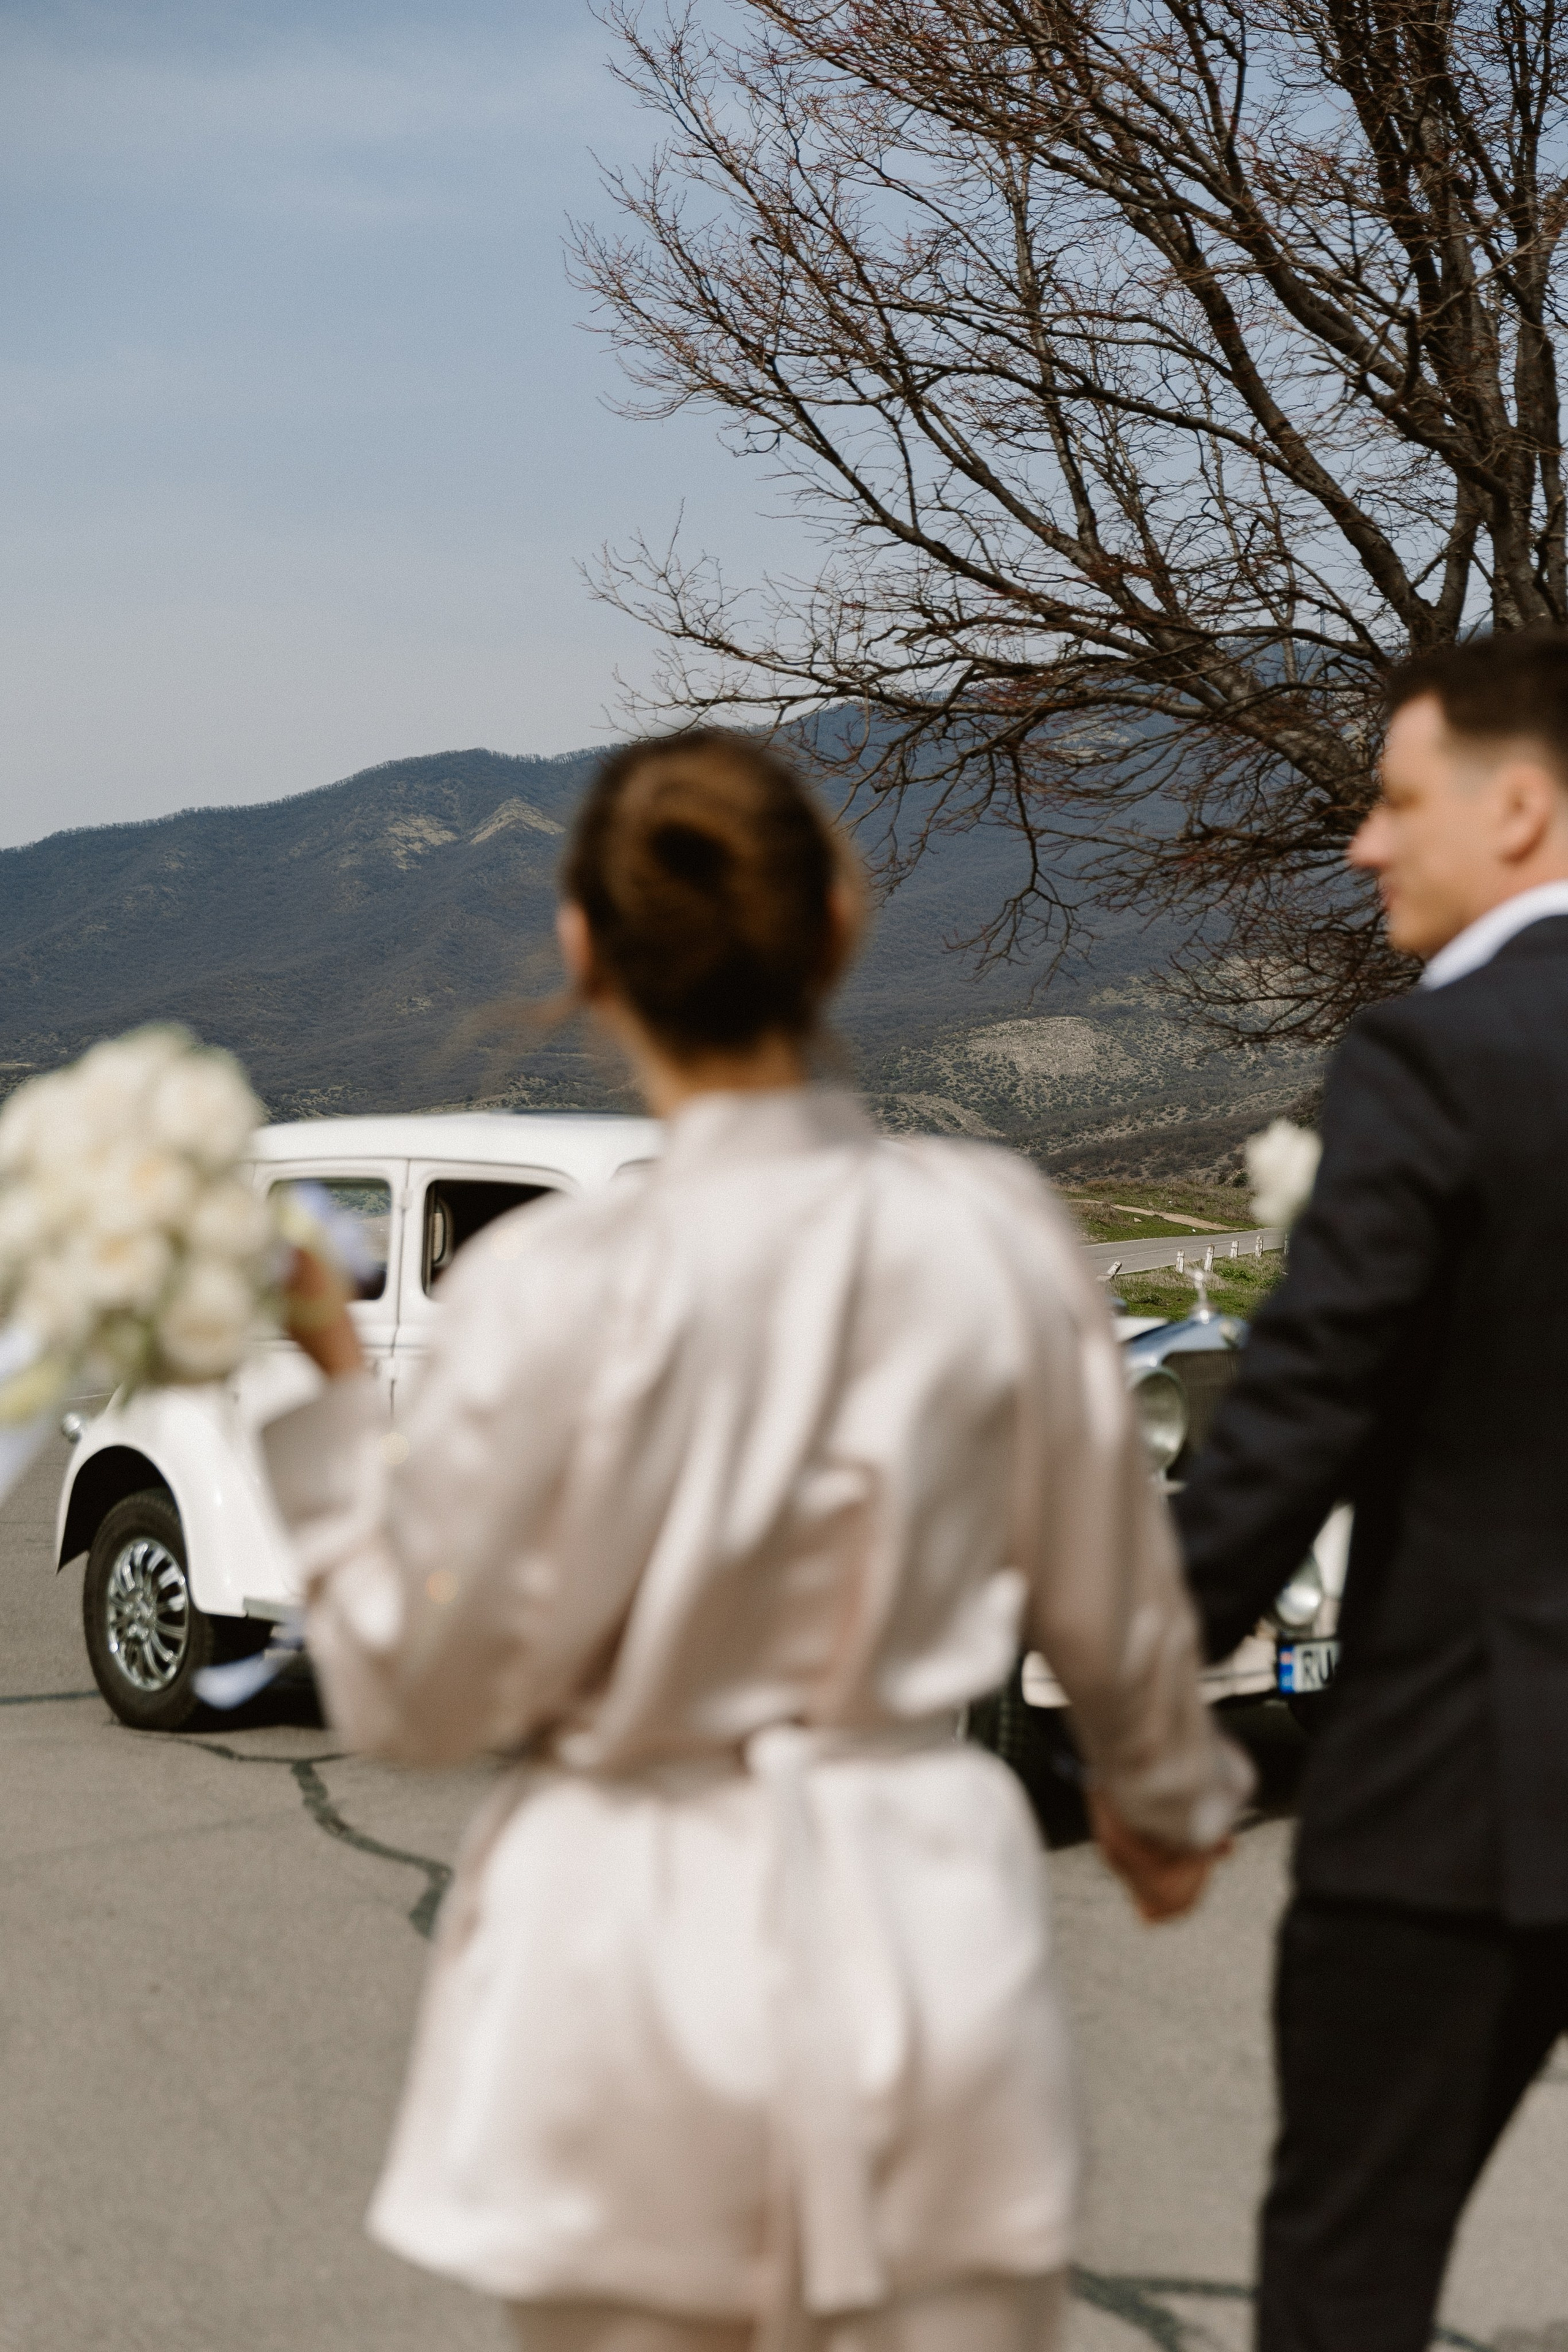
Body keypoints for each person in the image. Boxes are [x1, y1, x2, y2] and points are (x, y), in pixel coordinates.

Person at [270, 728, 1247, 2352]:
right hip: (917, 1942)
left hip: (617, 1971)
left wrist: (318, 1424)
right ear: (841, 924)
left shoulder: (545, 1296)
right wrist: (1167, 1806)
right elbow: (1116, 1611)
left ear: (584, 952)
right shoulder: (993, 1232)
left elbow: (407, 1703)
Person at [1175, 628, 1568, 2352]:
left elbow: (1297, 1418)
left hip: (1475, 1791)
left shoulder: (1444, 1060)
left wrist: (1126, 1690)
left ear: (1524, 808)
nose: (1362, 844)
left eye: (1398, 801)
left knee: (1350, 2265)